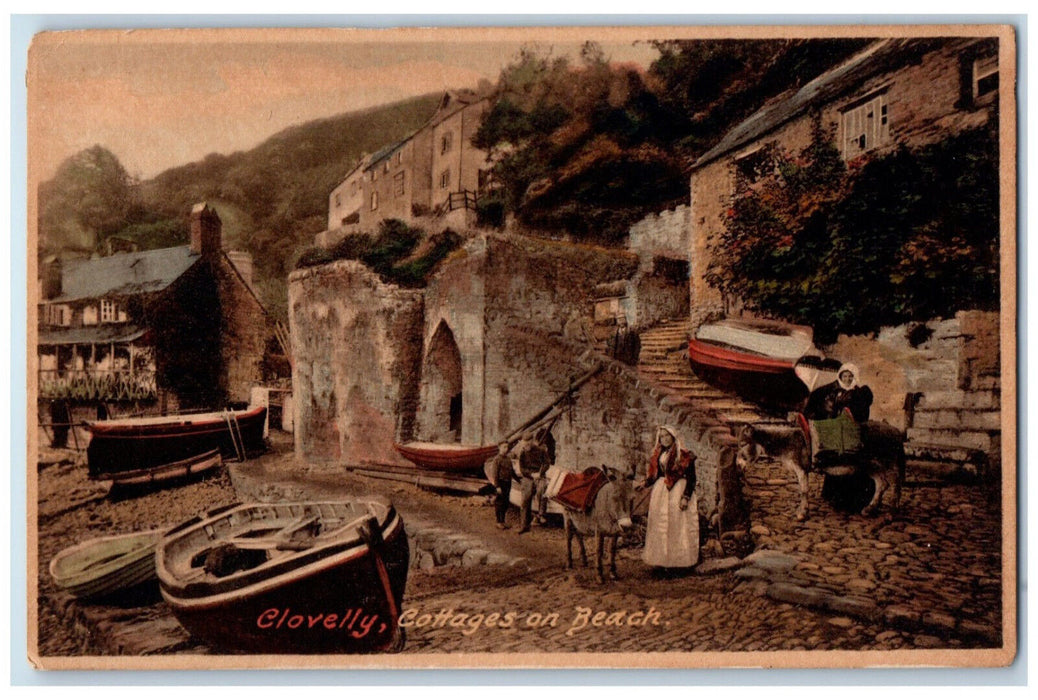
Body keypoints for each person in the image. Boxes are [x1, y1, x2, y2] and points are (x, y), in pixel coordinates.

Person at [641, 425, 699, 569]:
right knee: (661, 525)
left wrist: (686, 497)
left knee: (678, 525)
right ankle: (661, 562)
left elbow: (692, 479)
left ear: (673, 437)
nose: (664, 439)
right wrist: (645, 483)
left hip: (678, 490)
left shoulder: (684, 455)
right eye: (662, 436)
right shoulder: (659, 454)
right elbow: (656, 475)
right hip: (661, 492)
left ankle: (680, 563)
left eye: (667, 436)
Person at [805, 363, 874, 422]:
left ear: (854, 377)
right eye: (845, 376)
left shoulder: (858, 391)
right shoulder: (831, 389)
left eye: (850, 376)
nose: (847, 379)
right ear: (840, 377)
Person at [516, 430, 550, 533]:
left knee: (542, 490)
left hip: (539, 476)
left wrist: (540, 473)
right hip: (528, 477)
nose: (527, 446)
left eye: (529, 443)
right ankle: (524, 525)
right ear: (523, 443)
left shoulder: (541, 450)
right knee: (525, 499)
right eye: (525, 443)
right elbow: (522, 469)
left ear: (532, 441)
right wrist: (531, 475)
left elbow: (546, 463)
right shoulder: (522, 453)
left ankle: (541, 514)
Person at [488, 442, 514, 529]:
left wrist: (519, 480)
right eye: (504, 447)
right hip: (501, 483)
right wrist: (497, 486)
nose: (506, 449)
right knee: (499, 503)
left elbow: (512, 472)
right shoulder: (497, 459)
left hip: (508, 483)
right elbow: (495, 474)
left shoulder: (508, 459)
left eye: (507, 447)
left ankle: (503, 521)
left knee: (506, 503)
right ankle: (498, 522)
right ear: (499, 448)